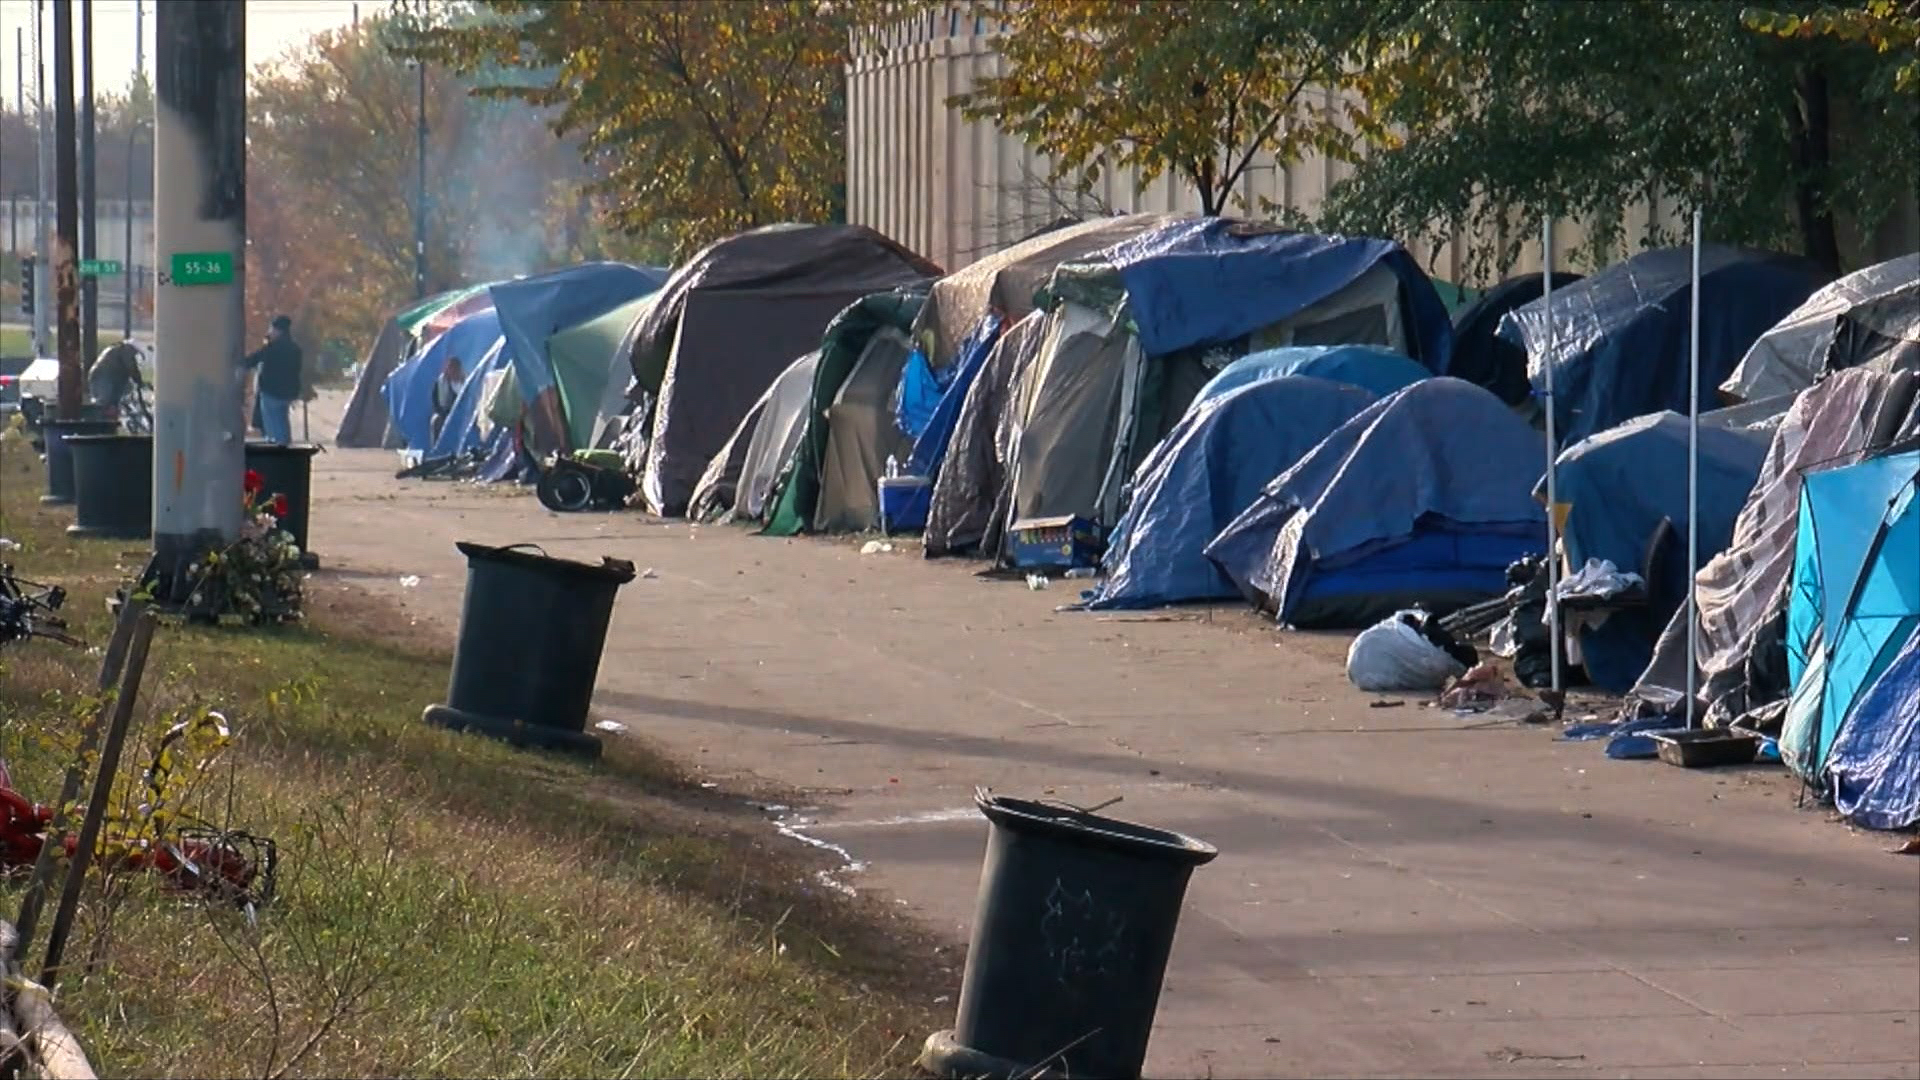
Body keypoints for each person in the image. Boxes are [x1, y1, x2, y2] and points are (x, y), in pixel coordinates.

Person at [243, 314, 303, 445]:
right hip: (288, 392)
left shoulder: (272, 348)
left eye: (271, 329)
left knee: (272, 425)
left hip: (271, 391)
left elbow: (254, 359)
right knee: (282, 421)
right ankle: (286, 447)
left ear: (277, 330)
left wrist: (239, 365)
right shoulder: (295, 349)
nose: (269, 332)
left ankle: (277, 449)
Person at [87, 339, 146, 417]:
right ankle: (97, 418)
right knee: (104, 399)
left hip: (107, 376)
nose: (135, 354)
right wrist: (138, 379)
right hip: (102, 375)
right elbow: (130, 366)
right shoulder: (126, 351)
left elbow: (130, 367)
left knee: (114, 398)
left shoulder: (120, 350)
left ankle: (109, 416)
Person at [430, 354, 464, 444]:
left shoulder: (465, 382)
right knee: (437, 421)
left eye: (455, 368)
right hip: (444, 413)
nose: (452, 371)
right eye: (450, 368)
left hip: (462, 414)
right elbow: (436, 402)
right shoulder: (440, 383)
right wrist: (442, 412)